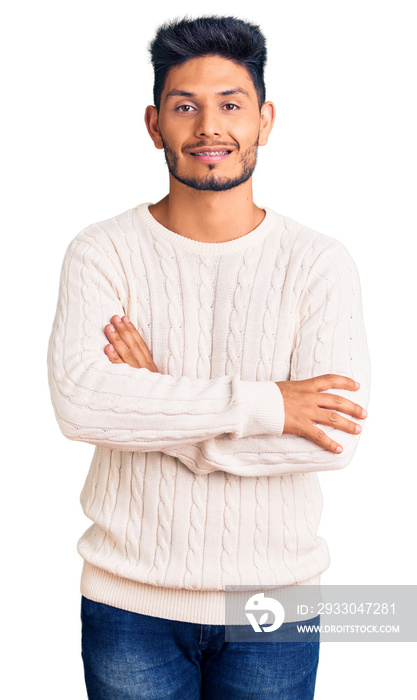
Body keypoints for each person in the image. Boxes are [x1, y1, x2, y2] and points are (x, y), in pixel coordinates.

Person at [47, 15, 370, 700]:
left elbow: (332, 439)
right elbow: (80, 403)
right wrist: (266, 407)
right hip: (128, 598)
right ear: (153, 123)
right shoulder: (102, 251)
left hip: (274, 604)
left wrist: (155, 402)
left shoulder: (318, 263)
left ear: (265, 118)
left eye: (230, 104)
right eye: (184, 105)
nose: (208, 127)